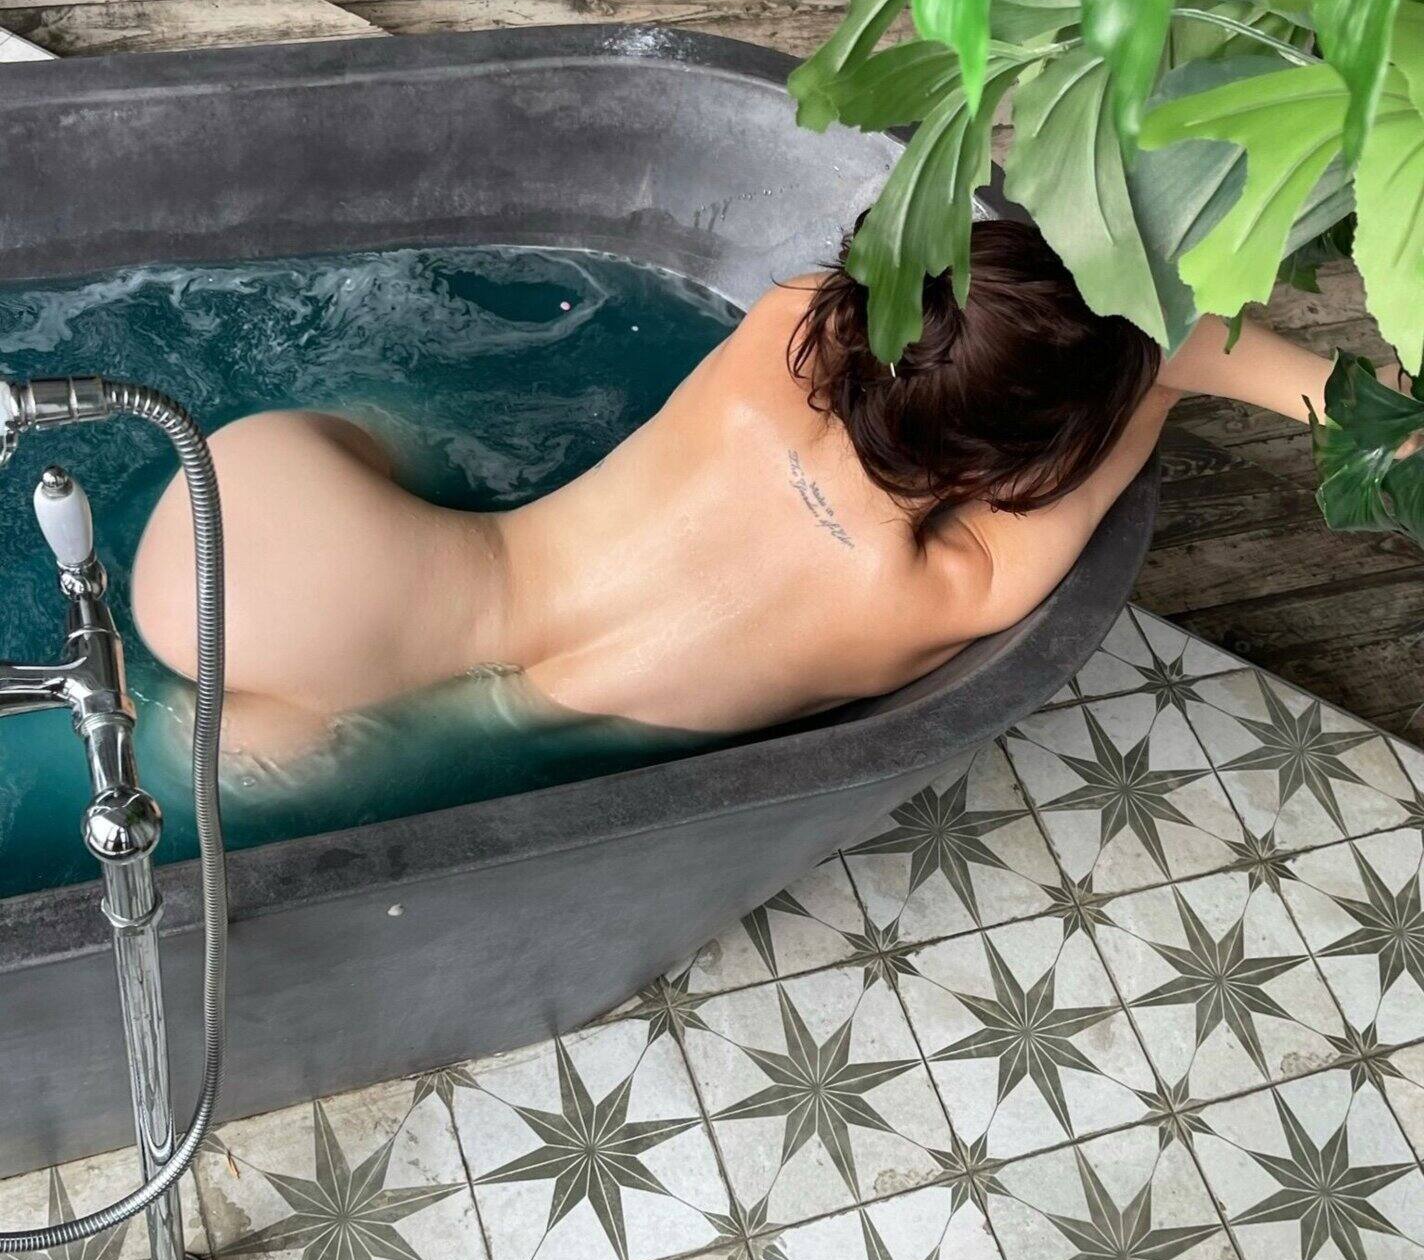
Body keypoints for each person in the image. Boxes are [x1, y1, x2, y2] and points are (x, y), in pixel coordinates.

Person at [130, 218, 1366, 765]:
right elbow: (1184, 360)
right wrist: (1140, 376)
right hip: (427, 693)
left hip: (270, 519)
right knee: (242, 760)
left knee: (391, 439)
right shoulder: (952, 588)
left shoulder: (780, 337)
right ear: (1006, 472)